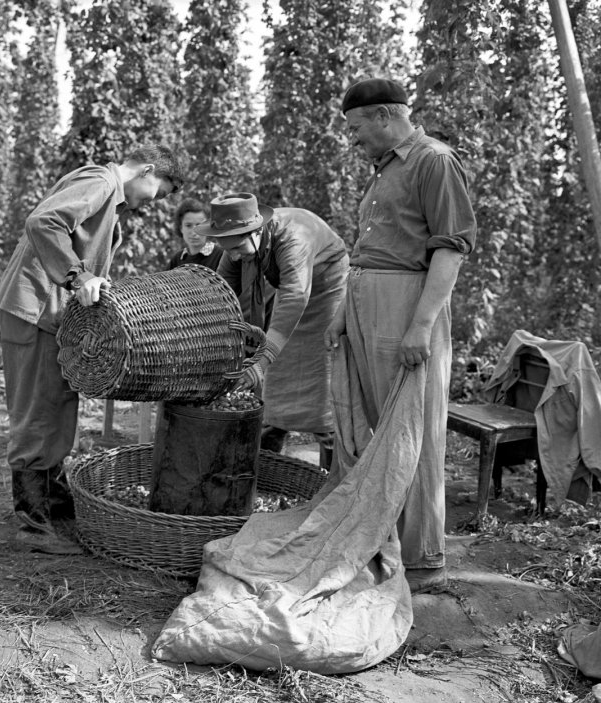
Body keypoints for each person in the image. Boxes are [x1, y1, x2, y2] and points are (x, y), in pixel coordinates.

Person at [325, 78, 477, 594]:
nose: (353, 138)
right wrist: (348, 310)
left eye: (356, 127)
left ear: (386, 116)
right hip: (370, 304)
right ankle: (384, 538)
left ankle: (423, 559)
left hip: (407, 306)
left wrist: (421, 323)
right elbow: (372, 247)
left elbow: (450, 250)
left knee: (413, 429)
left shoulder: (434, 161)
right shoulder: (385, 170)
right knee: (380, 427)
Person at [0, 144, 184, 553]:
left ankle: (55, 503)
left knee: (58, 404)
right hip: (35, 309)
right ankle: (32, 525)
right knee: (36, 412)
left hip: (51, 314)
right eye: (160, 191)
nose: (151, 203)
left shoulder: (108, 195)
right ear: (147, 170)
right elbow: (42, 222)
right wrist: (78, 277)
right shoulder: (101, 182)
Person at [197, 192, 350, 468]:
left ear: (256, 233)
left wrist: (261, 361)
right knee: (277, 386)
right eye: (227, 248)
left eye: (236, 248)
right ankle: (266, 466)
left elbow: (295, 297)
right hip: (293, 289)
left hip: (326, 289)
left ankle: (331, 472)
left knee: (321, 383)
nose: (232, 255)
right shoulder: (240, 244)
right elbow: (218, 294)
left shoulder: (294, 240)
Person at [167, 197, 222, 271]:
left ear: (208, 227)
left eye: (199, 225)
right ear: (180, 228)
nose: (194, 232)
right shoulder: (176, 260)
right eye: (188, 225)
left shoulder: (221, 256)